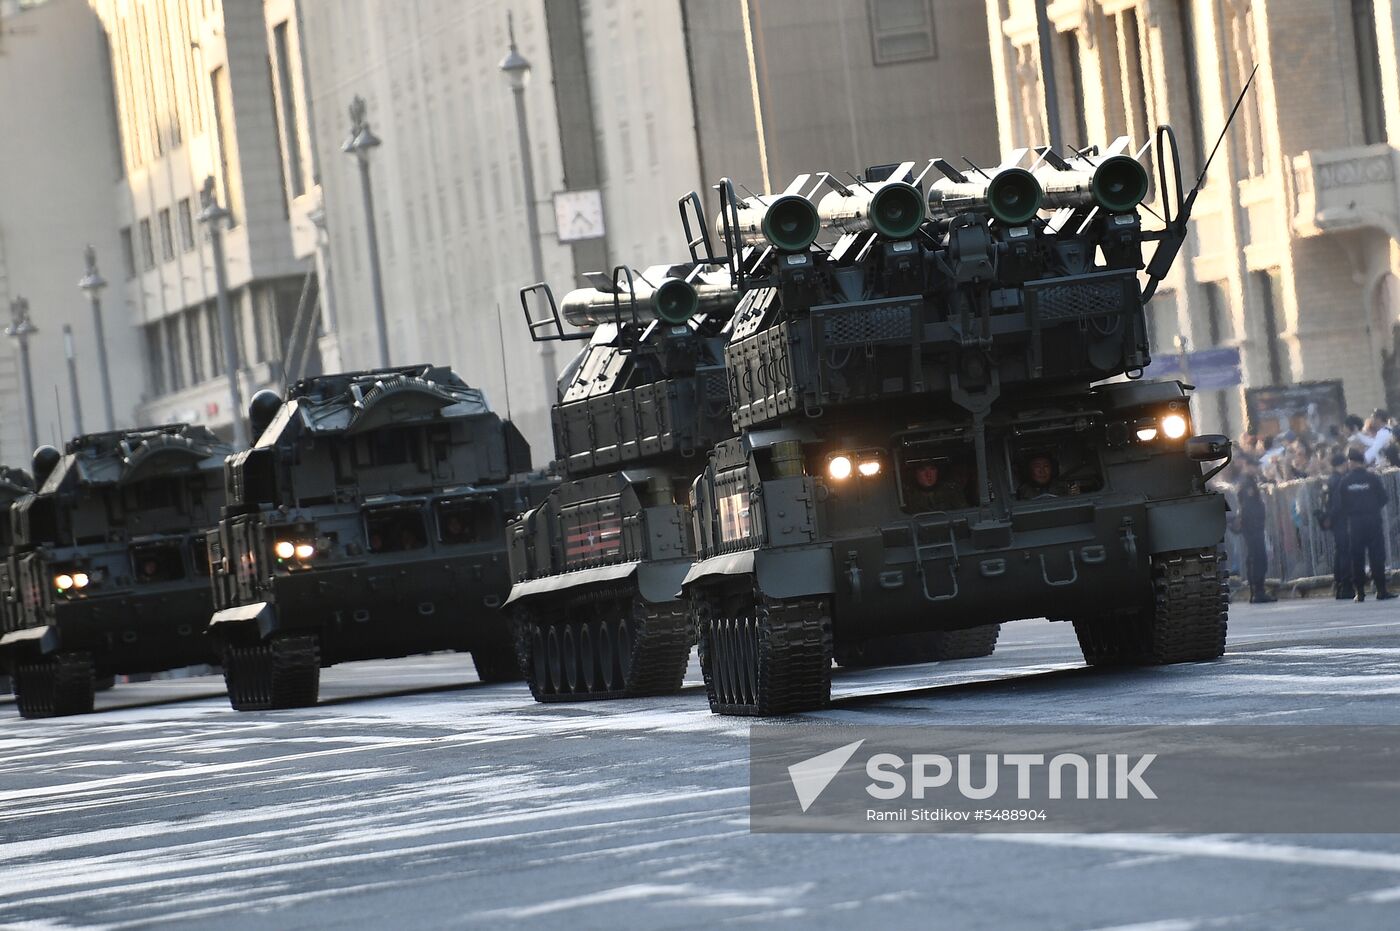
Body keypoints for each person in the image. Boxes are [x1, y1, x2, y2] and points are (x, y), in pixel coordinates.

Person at [1336, 447, 1395, 602]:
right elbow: (1383, 498)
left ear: (1351, 462)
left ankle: (1360, 592)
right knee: (1377, 555)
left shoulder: (1345, 481)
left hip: (1355, 523)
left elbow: (1342, 505)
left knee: (1357, 557)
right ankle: (1381, 590)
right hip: (1373, 520)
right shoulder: (1372, 478)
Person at [1235, 458, 1275, 603]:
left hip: (1253, 527)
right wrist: (1255, 524)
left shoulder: (1248, 481)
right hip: (1252, 528)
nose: (1256, 469)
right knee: (1258, 558)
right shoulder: (1247, 483)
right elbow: (1248, 506)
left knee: (1256, 558)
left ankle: (1258, 590)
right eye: (1254, 466)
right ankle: (1258, 591)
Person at [1323, 452, 1354, 600]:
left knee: (1340, 552)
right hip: (1341, 519)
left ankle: (1339, 583)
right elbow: (1337, 503)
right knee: (1345, 552)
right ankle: (1345, 584)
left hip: (1336, 520)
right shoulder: (1340, 480)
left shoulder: (1331, 479)